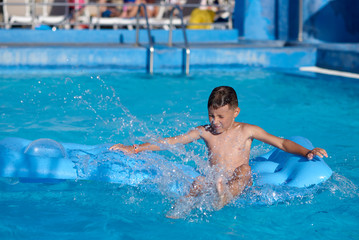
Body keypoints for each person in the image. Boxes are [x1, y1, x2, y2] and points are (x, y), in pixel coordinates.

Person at [110, 86, 328, 218]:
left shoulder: (247, 131)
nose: (214, 122)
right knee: (198, 182)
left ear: (236, 112)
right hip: (217, 179)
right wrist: (135, 148)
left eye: (221, 117)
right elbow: (171, 142)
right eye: (211, 116)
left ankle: (224, 197)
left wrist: (308, 151)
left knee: (244, 170)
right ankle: (181, 208)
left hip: (239, 183)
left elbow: (280, 143)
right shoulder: (205, 132)